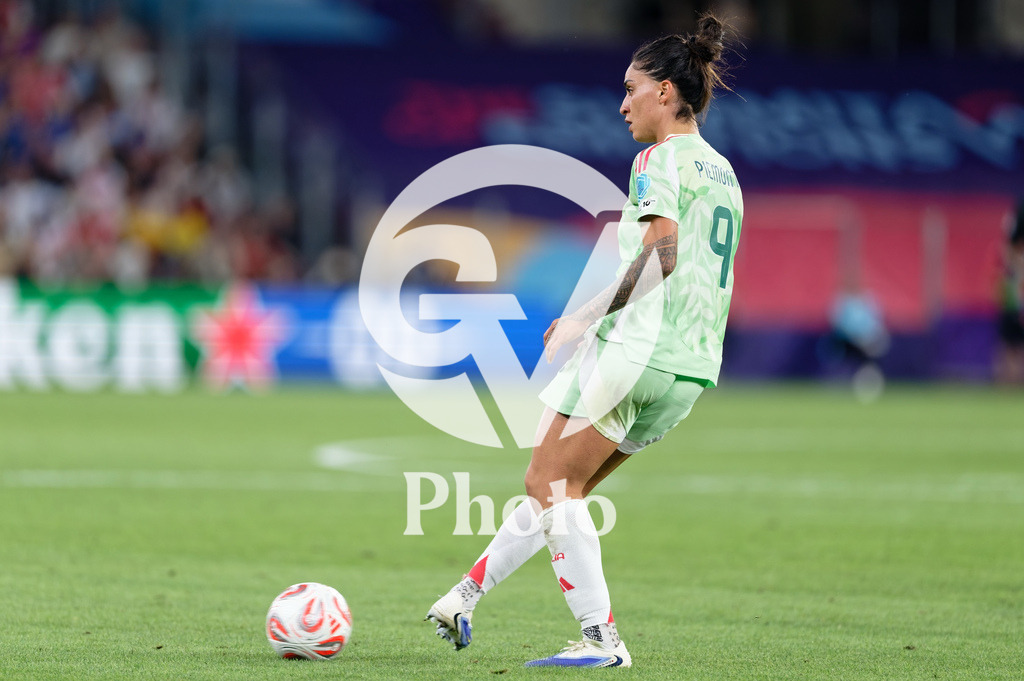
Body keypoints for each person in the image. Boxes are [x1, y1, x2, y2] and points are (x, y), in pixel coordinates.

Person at [426, 14, 742, 668]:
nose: (623, 104)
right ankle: (463, 597)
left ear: (665, 92)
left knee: (546, 480)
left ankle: (602, 640)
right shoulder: (724, 174)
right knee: (561, 494)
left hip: (636, 351)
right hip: (689, 370)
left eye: (631, 88)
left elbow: (663, 253)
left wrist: (586, 318)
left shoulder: (657, 159)